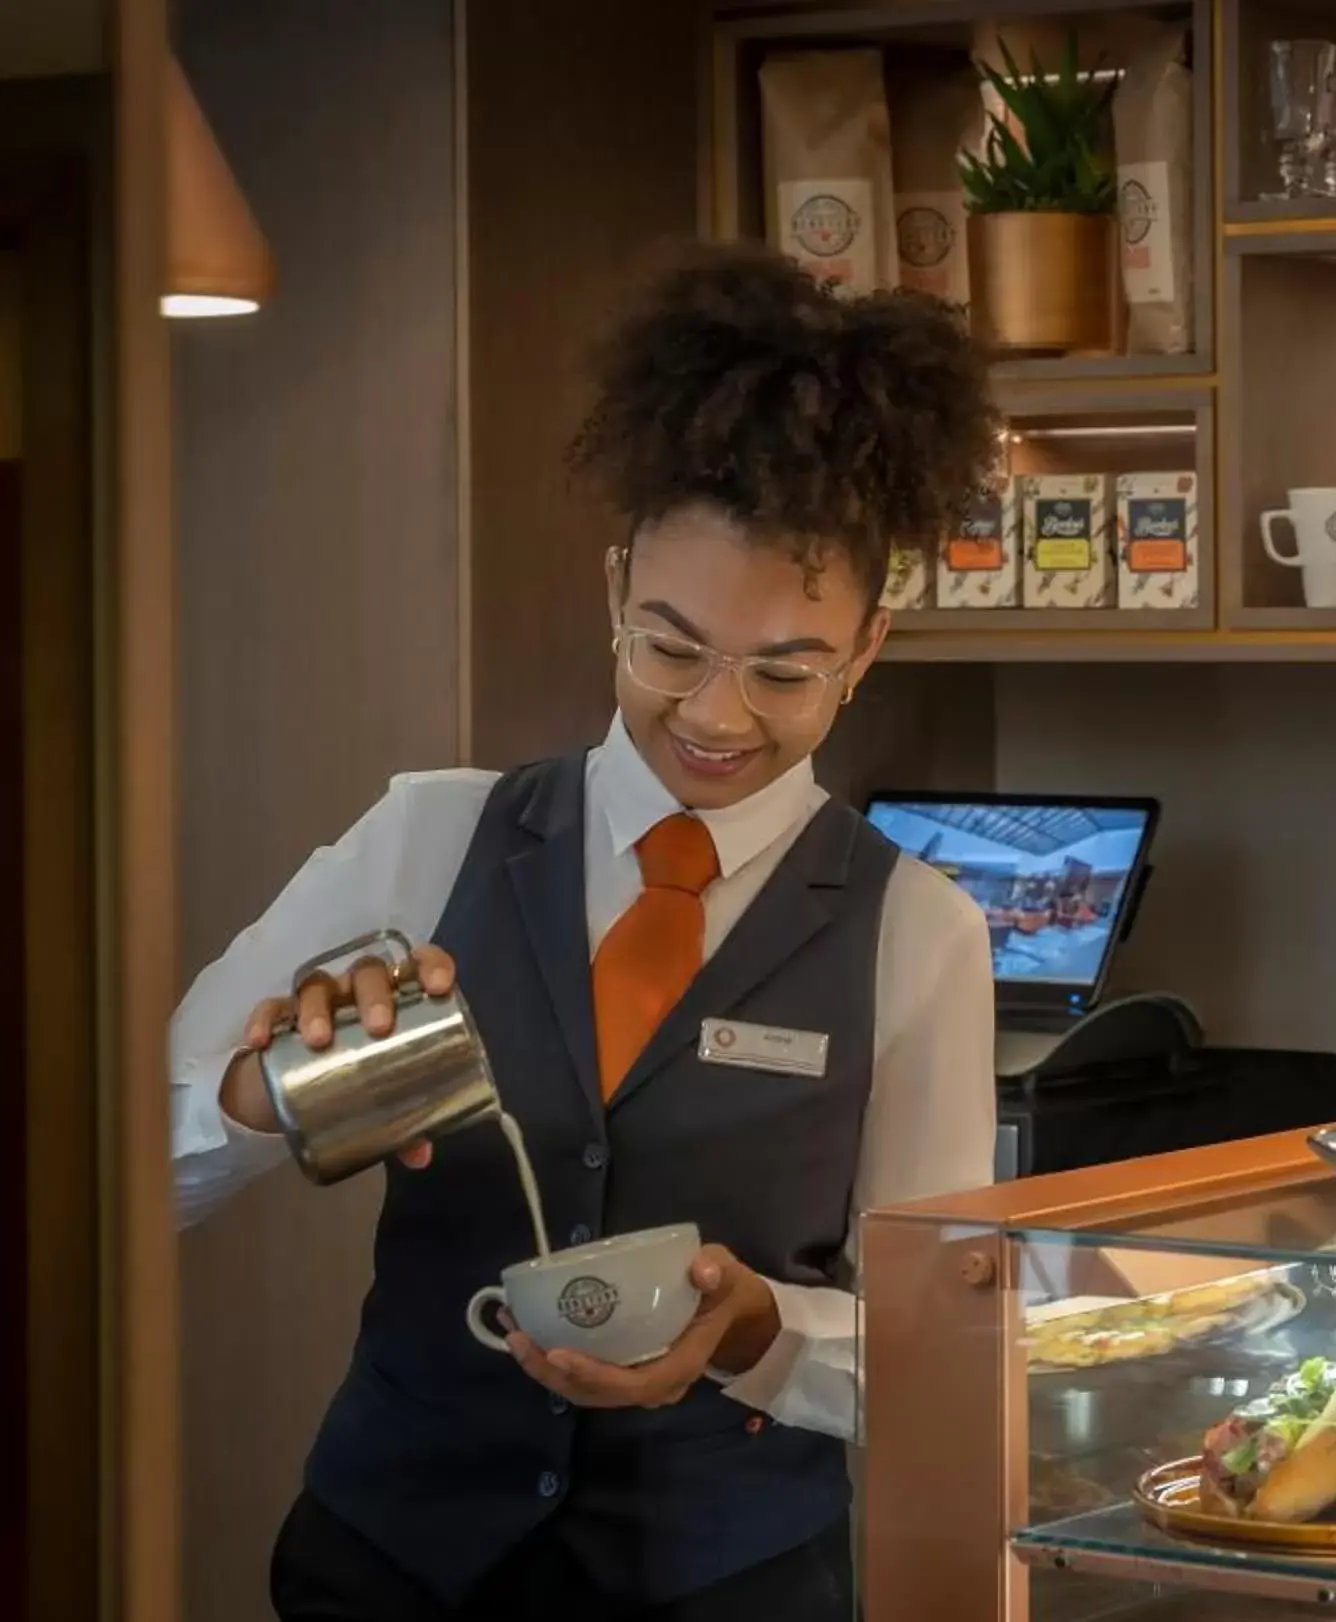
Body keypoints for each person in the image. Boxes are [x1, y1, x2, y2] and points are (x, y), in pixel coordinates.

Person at [167, 249, 1001, 1621]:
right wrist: (267, 1092)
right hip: (390, 1565)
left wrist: (755, 1333)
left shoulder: (920, 930)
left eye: (785, 668)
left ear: (867, 649)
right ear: (616, 585)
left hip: (724, 1583)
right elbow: (116, 1179)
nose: (717, 716)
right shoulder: (426, 837)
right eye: (670, 646)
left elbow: (940, 1344)